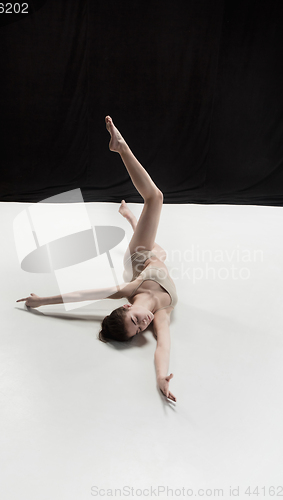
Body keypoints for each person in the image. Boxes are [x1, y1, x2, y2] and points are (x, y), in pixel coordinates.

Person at [17, 116, 178, 402]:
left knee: (155, 198)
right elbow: (163, 346)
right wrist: (160, 378)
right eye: (140, 329)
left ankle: (120, 147)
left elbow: (81, 294)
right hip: (155, 259)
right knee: (161, 253)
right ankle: (130, 218)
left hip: (137, 256)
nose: (145, 323)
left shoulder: (128, 291)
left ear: (127, 306)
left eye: (136, 320)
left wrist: (41, 301)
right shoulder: (162, 314)